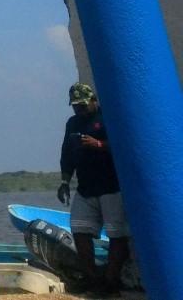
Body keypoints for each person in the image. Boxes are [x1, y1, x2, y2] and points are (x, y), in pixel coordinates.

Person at [58, 82, 131, 295]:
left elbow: (125, 146)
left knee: (116, 234)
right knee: (79, 230)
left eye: (82, 105)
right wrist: (64, 181)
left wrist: (98, 145)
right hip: (85, 188)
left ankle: (111, 280)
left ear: (93, 101)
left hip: (110, 187)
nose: (78, 110)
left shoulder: (106, 119)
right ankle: (92, 278)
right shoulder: (72, 124)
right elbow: (66, 154)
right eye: (75, 106)